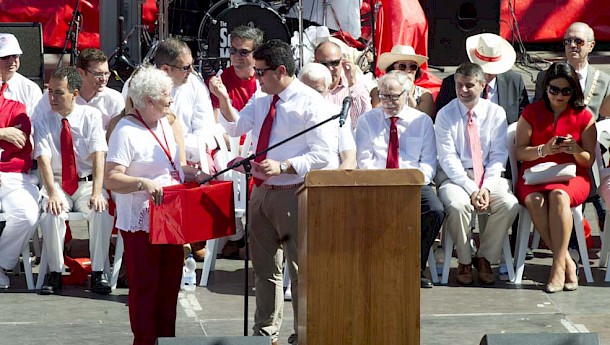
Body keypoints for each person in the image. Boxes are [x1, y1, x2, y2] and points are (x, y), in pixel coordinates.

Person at [208, 39, 334, 345]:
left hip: (294, 192)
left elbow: (324, 155)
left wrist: (285, 165)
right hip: (262, 191)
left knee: (300, 270)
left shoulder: (311, 103)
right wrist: (224, 98)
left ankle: (305, 334)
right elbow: (237, 127)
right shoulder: (262, 97)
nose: (257, 78)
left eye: (261, 72)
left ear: (280, 71)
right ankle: (265, 333)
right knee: (264, 270)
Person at [105, 65, 207, 345]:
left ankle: (166, 340)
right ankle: (145, 341)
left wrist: (193, 173)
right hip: (142, 219)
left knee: (169, 284)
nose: (171, 101)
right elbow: (111, 177)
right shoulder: (126, 130)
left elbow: (170, 168)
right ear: (148, 100)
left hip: (170, 214)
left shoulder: (164, 122)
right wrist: (142, 184)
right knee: (146, 286)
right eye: (166, 97)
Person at [355, 72, 444, 288]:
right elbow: (364, 161)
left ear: (407, 94)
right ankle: (375, 265)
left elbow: (428, 163)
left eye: (394, 97)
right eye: (384, 96)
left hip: (412, 183)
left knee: (435, 210)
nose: (389, 102)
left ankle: (415, 266)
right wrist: (383, 183)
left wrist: (410, 183)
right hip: (377, 183)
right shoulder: (368, 120)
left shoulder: (421, 121)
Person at [435, 62, 521, 286]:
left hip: (489, 176)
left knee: (510, 204)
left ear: (482, 85)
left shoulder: (495, 113)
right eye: (459, 85)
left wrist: (486, 187)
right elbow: (447, 158)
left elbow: (498, 155)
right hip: (456, 177)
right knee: (456, 205)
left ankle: (485, 257)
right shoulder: (445, 114)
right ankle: (464, 260)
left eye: (469, 85)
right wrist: (472, 189)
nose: (463, 90)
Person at [515, 62, 596, 293]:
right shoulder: (532, 112)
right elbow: (519, 151)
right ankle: (566, 261)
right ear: (545, 88)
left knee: (559, 196)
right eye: (554, 89)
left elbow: (588, 160)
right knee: (535, 201)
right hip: (534, 174)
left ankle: (557, 268)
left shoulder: (583, 116)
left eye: (565, 91)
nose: (559, 96)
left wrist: (574, 149)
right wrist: (544, 150)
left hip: (572, 175)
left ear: (574, 91)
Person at [34, 67, 114, 295]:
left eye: (58, 93)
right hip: (57, 182)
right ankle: (55, 271)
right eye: (50, 92)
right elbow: (43, 159)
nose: (52, 98)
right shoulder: (43, 119)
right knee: (51, 212)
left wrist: (98, 192)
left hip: (86, 181)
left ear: (74, 94)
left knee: (101, 210)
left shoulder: (90, 116)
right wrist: (51, 192)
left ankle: (98, 271)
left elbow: (99, 155)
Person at [535, 22, 609, 247]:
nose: (572, 46)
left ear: (591, 45)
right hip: (555, 149)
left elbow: (606, 121)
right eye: (568, 41)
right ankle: (572, 247)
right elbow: (538, 114)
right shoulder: (547, 76)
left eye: (578, 41)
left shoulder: (604, 80)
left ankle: (596, 224)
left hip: (590, 150)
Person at [206, 25, 264, 259]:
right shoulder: (220, 80)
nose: (237, 57)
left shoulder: (263, 81)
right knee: (218, 170)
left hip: (257, 147)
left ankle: (247, 236)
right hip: (228, 148)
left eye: (244, 52)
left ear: (255, 54)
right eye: (233, 51)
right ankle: (236, 235)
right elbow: (213, 120)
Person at [0, 73, 40, 289]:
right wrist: (1, 132)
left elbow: (20, 141)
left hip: (14, 177)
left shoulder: (16, 108)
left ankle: (1, 263)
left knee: (26, 214)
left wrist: (7, 135)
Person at [436, 33, 529, 125]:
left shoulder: (514, 82)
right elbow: (440, 121)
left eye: (492, 70)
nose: (487, 75)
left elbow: (524, 120)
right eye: (483, 70)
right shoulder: (452, 84)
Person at [299, 62, 356, 169]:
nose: (312, 97)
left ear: (328, 89)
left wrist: (332, 183)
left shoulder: (338, 114)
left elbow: (349, 160)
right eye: (307, 91)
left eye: (318, 92)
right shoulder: (290, 112)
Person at [314, 40, 372, 129]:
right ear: (315, 64)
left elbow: (366, 119)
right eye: (324, 64)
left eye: (334, 63)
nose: (330, 68)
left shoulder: (354, 87)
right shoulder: (307, 87)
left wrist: (352, 81)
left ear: (343, 62)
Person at [374, 45, 435, 118]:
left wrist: (407, 93)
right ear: (392, 69)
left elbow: (423, 121)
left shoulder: (424, 94)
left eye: (413, 66)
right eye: (402, 66)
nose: (408, 70)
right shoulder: (378, 91)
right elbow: (377, 116)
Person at [75, 48, 125, 129]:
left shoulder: (115, 99)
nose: (104, 79)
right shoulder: (65, 96)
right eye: (98, 74)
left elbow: (117, 134)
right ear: (81, 73)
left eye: (106, 73)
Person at [0, 33, 42, 116]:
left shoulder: (30, 89)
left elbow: (37, 122)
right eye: (5, 57)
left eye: (15, 55)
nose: (11, 61)